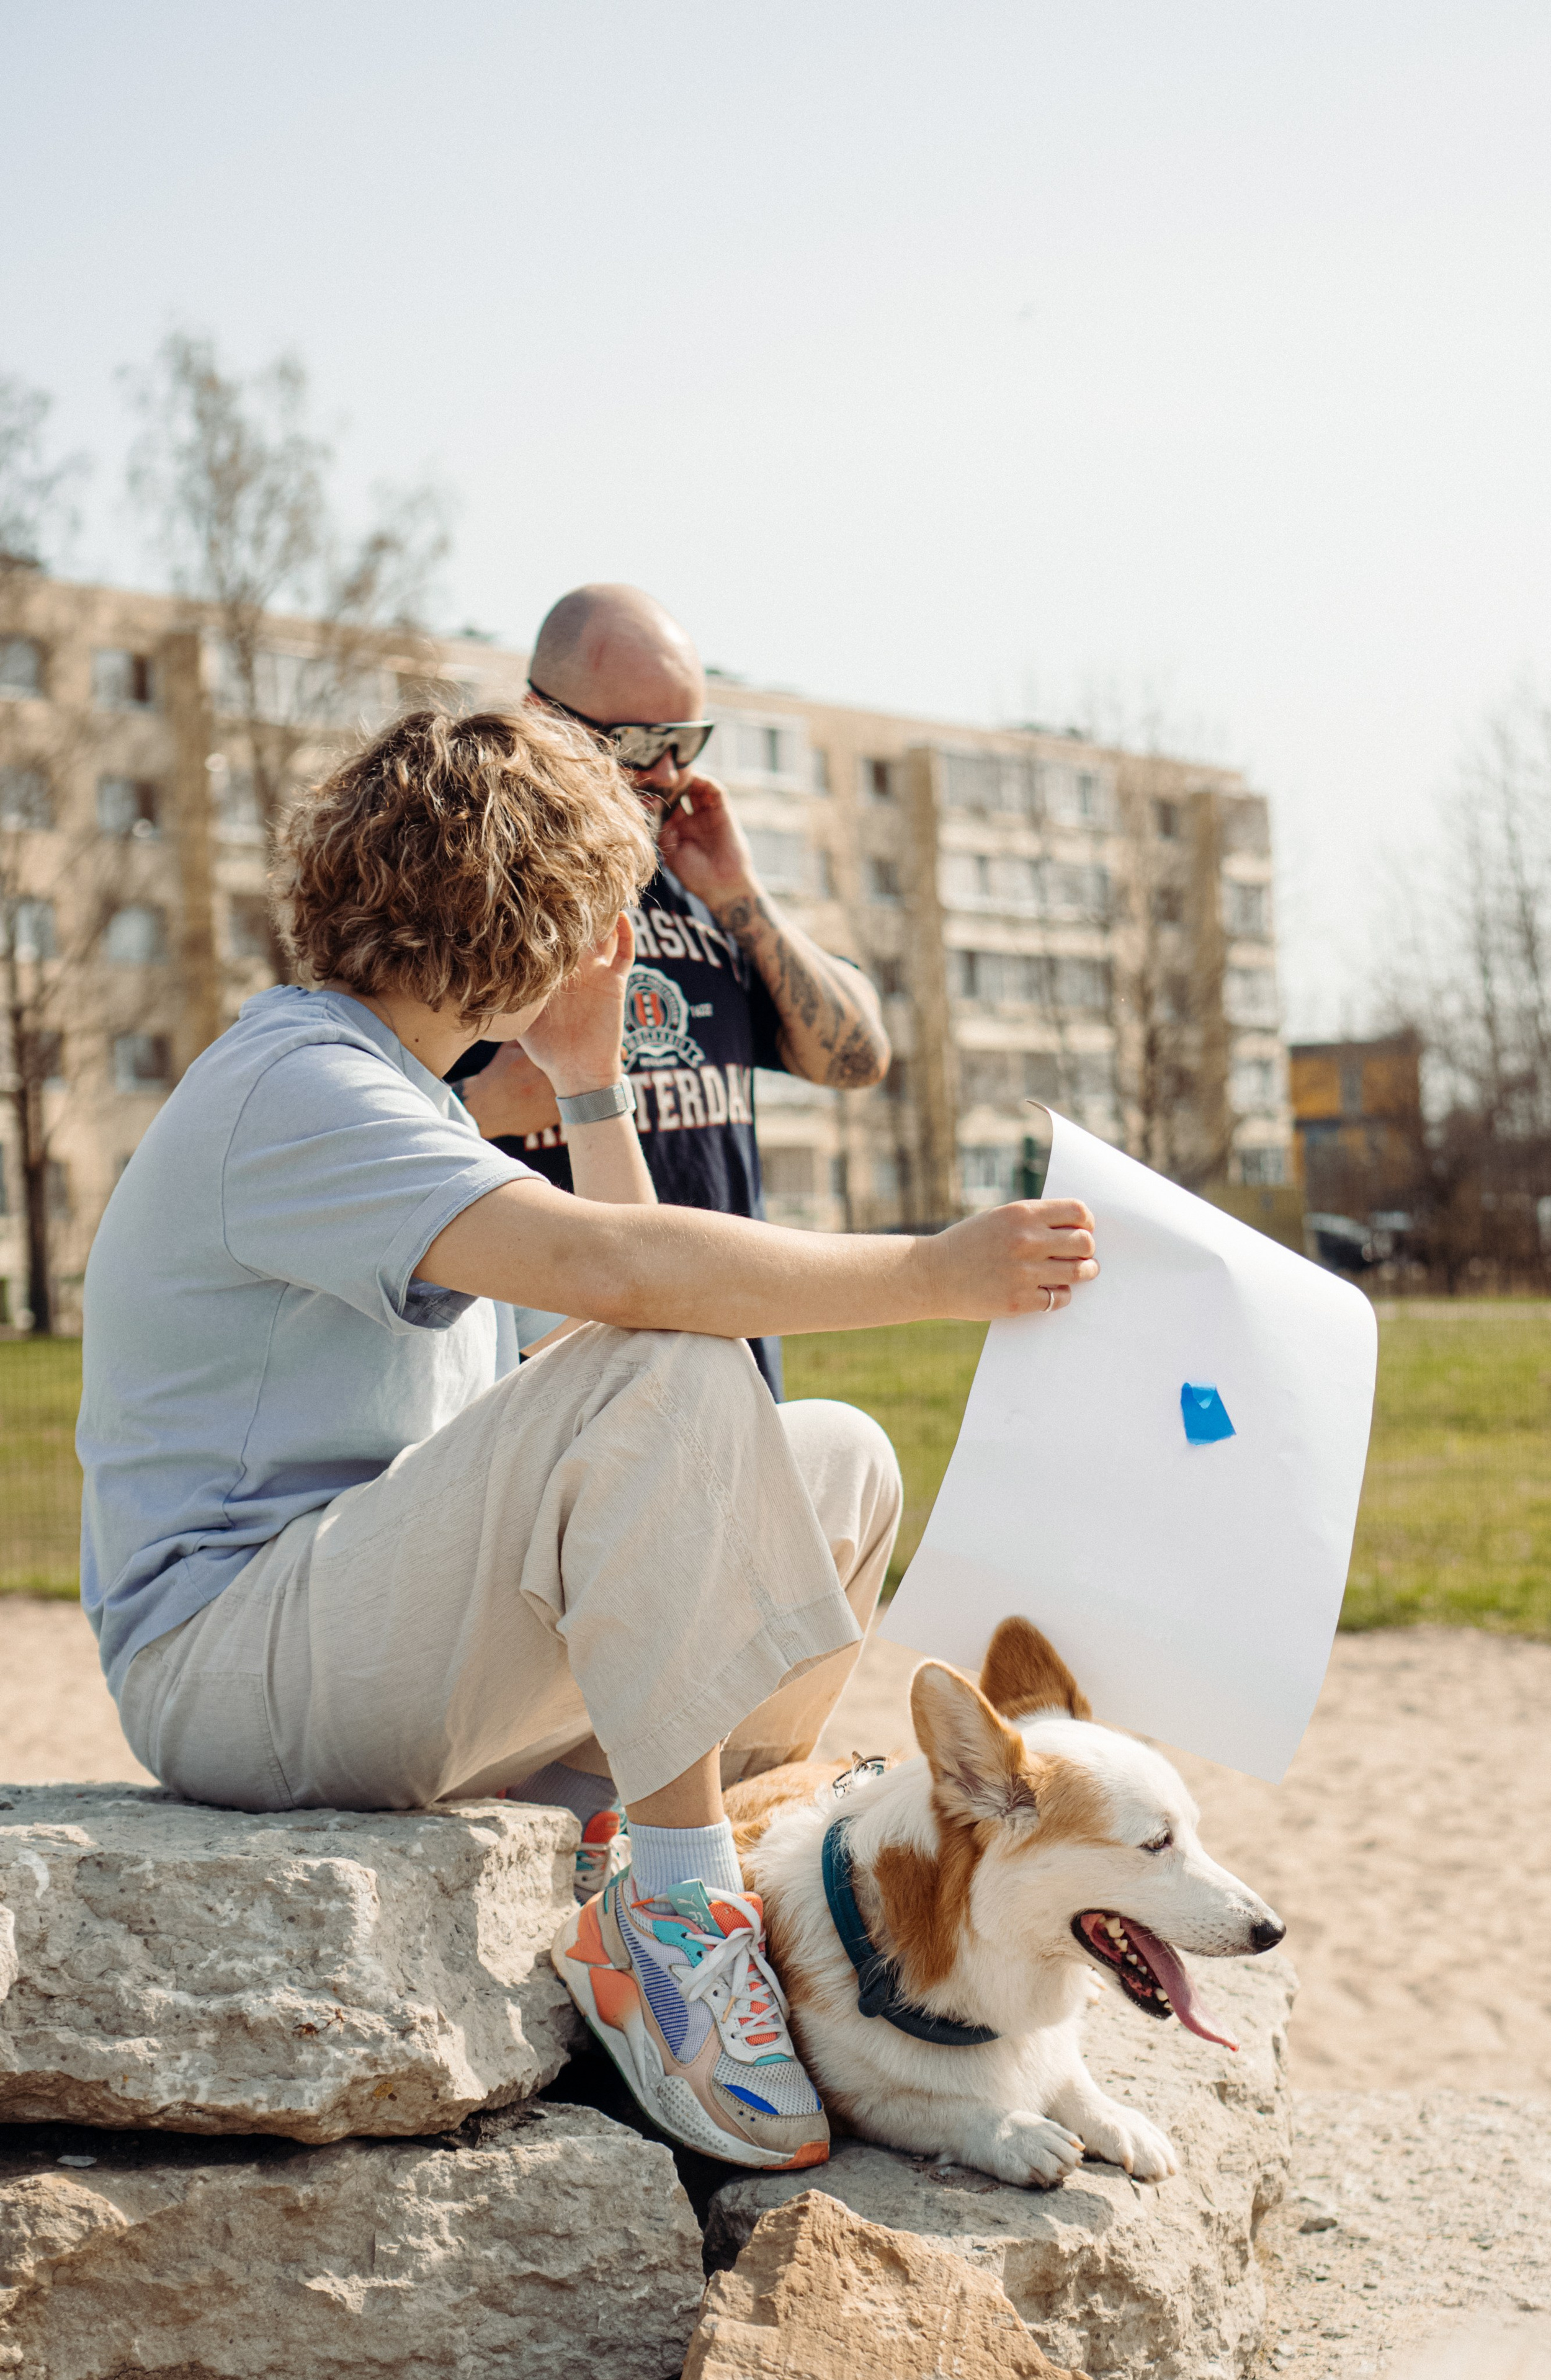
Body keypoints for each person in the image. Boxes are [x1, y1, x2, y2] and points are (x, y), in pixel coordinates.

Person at [77, 706, 1098, 2175]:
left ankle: (701, 1836)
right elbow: (625, 1290)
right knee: (665, 1351)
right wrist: (937, 1272)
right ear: (537, 921)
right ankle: (673, 1918)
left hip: (359, 1644)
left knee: (837, 1462)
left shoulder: (398, 1100)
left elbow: (610, 1362)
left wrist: (588, 1086)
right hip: (231, 1664)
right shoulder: (294, 1087)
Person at [449, 583, 890, 1396]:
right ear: (540, 717)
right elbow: (347, 1133)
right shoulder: (470, 893)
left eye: (687, 742)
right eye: (639, 742)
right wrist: (482, 1109)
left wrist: (739, 893)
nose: (667, 772)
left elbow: (857, 1059)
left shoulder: (699, 883)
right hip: (553, 1400)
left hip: (733, 1380)